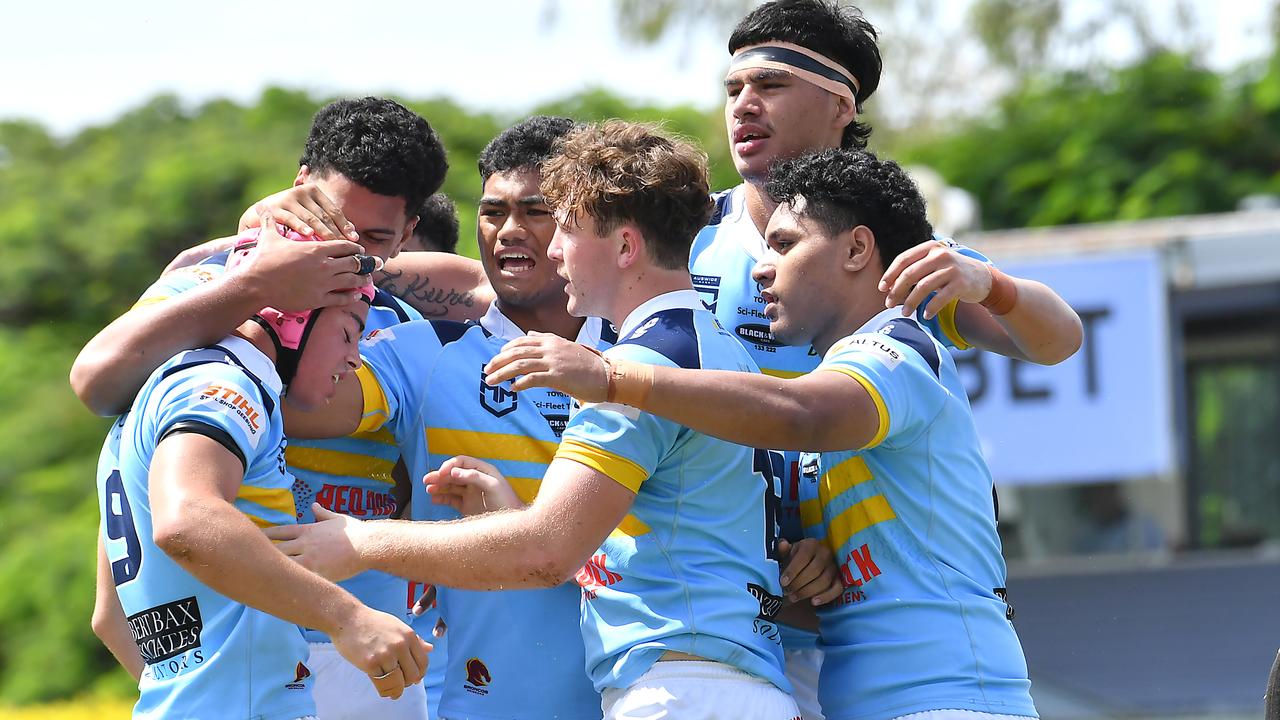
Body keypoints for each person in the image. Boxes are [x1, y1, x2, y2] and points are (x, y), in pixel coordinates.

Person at [267, 121, 832, 720]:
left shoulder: (633, 369)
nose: (541, 243)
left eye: (556, 221)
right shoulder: (715, 351)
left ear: (622, 245)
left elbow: (546, 551)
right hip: (700, 682)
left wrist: (360, 542)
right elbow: (301, 406)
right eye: (493, 212)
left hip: (679, 690)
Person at [484, 148, 1040, 720]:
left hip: (949, 701)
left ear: (857, 249)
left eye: (785, 244)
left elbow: (802, 415)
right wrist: (802, 572)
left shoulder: (897, 349)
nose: (759, 268)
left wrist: (611, 378)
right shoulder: (824, 394)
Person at [75, 96, 448, 719]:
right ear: (299, 187)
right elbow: (96, 381)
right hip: (277, 642)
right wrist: (256, 278)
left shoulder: (395, 326)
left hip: (358, 655)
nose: (335, 261)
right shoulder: (221, 353)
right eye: (328, 228)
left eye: (371, 243)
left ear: (408, 235)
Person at [285, 115, 609, 720]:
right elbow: (301, 408)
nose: (508, 231)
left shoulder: (647, 356)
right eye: (492, 211)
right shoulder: (424, 352)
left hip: (651, 696)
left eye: (536, 211)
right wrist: (260, 254)